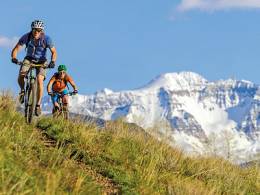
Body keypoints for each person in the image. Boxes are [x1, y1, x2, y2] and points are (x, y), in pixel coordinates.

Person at [11, 20, 57, 116]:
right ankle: (22, 92)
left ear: (42, 31)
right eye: (35, 30)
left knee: (40, 81)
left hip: (42, 61)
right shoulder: (26, 36)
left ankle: (37, 105)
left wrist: (52, 62)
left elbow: (54, 52)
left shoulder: (47, 39)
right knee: (21, 74)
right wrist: (14, 58)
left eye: (39, 30)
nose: (36, 32)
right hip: (29, 59)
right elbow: (16, 49)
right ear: (31, 29)